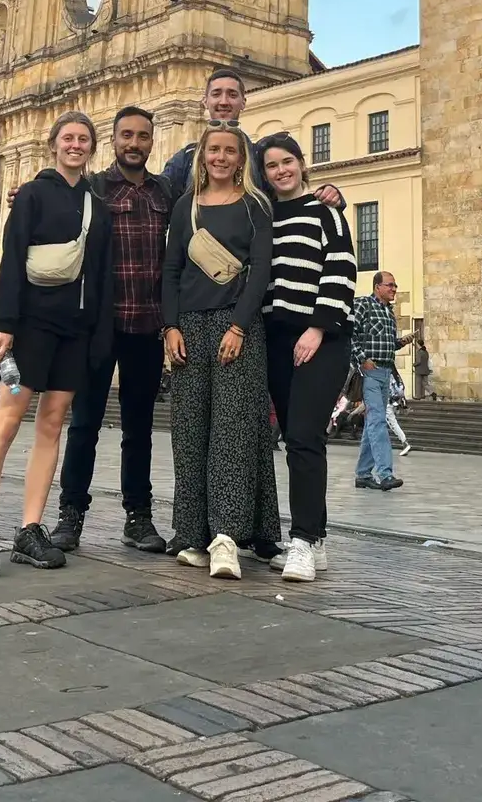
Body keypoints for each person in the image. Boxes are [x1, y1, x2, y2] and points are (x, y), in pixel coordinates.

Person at [0, 111, 113, 579]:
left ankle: (30, 528)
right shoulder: (32, 196)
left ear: (92, 147)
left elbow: (102, 276)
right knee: (6, 421)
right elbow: (12, 256)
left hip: (75, 331)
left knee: (53, 423)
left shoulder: (97, 208)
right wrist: (5, 322)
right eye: (68, 138)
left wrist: (99, 337)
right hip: (31, 328)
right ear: (53, 145)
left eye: (83, 139)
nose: (76, 145)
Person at [53, 106, 173, 557]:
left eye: (142, 136)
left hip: (147, 325)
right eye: (127, 135)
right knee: (84, 423)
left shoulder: (166, 191)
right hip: (99, 326)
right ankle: (70, 513)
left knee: (139, 428)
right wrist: (26, 195)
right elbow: (56, 205)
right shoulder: (94, 189)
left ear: (151, 141)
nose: (134, 143)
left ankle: (138, 516)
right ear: (114, 140)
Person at [162, 126, 277, 580]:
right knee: (189, 431)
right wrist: (170, 326)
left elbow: (261, 270)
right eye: (214, 150)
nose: (222, 157)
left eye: (231, 151)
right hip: (189, 326)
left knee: (232, 431)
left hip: (237, 325)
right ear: (202, 156)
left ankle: (226, 538)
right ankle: (193, 534)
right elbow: (171, 269)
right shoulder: (185, 206)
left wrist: (239, 326)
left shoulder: (255, 206)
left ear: (242, 158)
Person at [257, 133, 356, 584]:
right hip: (277, 337)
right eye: (271, 165)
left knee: (301, 435)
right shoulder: (262, 215)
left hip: (322, 336)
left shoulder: (325, 211)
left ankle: (300, 540)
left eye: (287, 161)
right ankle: (316, 541)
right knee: (301, 439)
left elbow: (341, 270)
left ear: (301, 163)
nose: (281, 170)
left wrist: (317, 328)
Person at [161, 68, 343, 209]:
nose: (224, 101)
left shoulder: (260, 155)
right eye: (216, 94)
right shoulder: (186, 157)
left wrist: (330, 196)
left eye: (232, 95)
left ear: (243, 102)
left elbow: (290, 194)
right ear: (205, 102)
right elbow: (156, 195)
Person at [351, 272, 417, 490]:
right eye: (390, 285)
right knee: (378, 420)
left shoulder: (389, 312)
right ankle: (385, 473)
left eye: (395, 285)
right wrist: (363, 359)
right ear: (377, 286)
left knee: (374, 421)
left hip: (386, 372)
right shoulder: (363, 305)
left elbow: (385, 343)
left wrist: (401, 342)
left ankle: (363, 474)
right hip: (370, 372)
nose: (394, 289)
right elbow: (350, 334)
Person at [387, 367, 411, 455]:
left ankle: (404, 442)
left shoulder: (386, 375)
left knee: (392, 423)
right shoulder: (395, 376)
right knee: (391, 423)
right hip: (392, 402)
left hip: (387, 402)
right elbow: (401, 389)